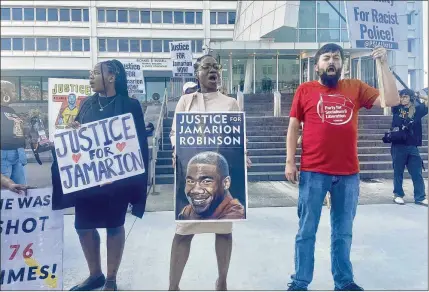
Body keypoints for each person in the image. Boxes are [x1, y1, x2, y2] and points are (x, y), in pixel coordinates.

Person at [285, 44, 400, 291]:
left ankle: (344, 281)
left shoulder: (355, 87)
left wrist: (383, 63)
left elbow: (390, 100)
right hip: (313, 170)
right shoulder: (305, 90)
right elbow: (294, 126)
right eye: (326, 58)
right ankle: (300, 281)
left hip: (348, 173)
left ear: (341, 65)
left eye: (336, 58)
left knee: (343, 232)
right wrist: (289, 161)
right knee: (306, 230)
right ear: (317, 66)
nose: (332, 61)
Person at [51, 60, 149, 291]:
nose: (91, 77)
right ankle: (95, 275)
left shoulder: (130, 105)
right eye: (91, 73)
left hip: (117, 181)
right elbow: (81, 133)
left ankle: (111, 279)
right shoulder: (86, 104)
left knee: (114, 225)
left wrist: (131, 180)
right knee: (83, 225)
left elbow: (139, 144)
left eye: (96, 73)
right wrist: (75, 129)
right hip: (89, 181)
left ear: (112, 76)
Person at [169, 54, 250, 291]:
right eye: (207, 67)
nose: (213, 70)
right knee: (183, 231)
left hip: (217, 175)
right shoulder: (186, 102)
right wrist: (177, 151)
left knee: (224, 230)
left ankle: (222, 281)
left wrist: (242, 154)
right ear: (197, 73)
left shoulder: (230, 103)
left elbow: (237, 138)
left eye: (216, 66)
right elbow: (176, 133)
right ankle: (173, 286)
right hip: (193, 174)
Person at [178, 151, 245, 220]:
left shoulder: (235, 214)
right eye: (190, 181)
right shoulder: (187, 211)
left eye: (206, 181)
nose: (196, 190)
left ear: (226, 183)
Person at [390, 89, 428, 206]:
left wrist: (419, 95)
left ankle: (420, 197)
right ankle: (398, 195)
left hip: (412, 145)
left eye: (405, 97)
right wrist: (396, 93)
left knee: (417, 172)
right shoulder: (396, 108)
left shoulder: (417, 110)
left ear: (410, 98)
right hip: (398, 145)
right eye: (401, 97)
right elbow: (390, 99)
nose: (403, 99)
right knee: (398, 171)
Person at [1, 80, 27, 185]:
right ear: (4, 92)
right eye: (13, 91)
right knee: (5, 191)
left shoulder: (10, 110)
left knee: (20, 189)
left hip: (17, 153)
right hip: (4, 154)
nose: (15, 94)